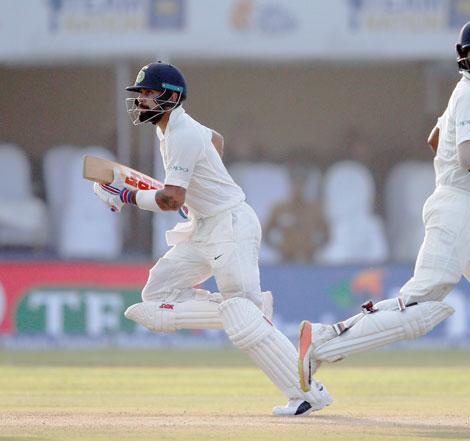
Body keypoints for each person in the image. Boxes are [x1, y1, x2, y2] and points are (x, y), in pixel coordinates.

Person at [296, 19, 470, 429]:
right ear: (463, 58)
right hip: (458, 207)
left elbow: (436, 140)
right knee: (421, 306)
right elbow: (468, 159)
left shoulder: (468, 96)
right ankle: (319, 342)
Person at [92, 61, 331, 416]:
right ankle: (242, 311)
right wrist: (198, 194)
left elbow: (170, 199)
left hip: (230, 227)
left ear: (170, 97)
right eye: (139, 94)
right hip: (204, 227)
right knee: (156, 296)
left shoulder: (181, 134)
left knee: (244, 323)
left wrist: (127, 196)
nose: (141, 100)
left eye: (147, 93)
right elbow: (215, 141)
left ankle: (307, 394)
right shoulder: (173, 127)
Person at [264, 165, 329, 262]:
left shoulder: (314, 209)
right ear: (290, 185)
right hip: (285, 260)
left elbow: (327, 234)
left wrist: (313, 249)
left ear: (306, 186)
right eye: (295, 183)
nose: (298, 188)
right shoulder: (280, 209)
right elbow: (265, 234)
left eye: (301, 184)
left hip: (309, 260)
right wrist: (280, 248)